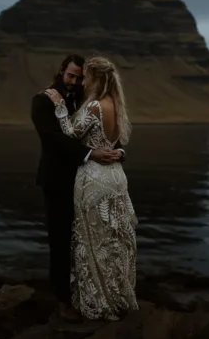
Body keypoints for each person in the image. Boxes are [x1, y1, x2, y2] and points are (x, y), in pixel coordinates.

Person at [42, 56, 139, 321]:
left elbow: (71, 133)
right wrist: (117, 152)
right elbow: (114, 143)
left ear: (95, 78)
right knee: (115, 238)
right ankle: (118, 294)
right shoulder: (117, 105)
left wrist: (61, 107)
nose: (82, 82)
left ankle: (100, 301)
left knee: (93, 240)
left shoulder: (95, 105)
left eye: (86, 77)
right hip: (116, 177)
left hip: (94, 178)